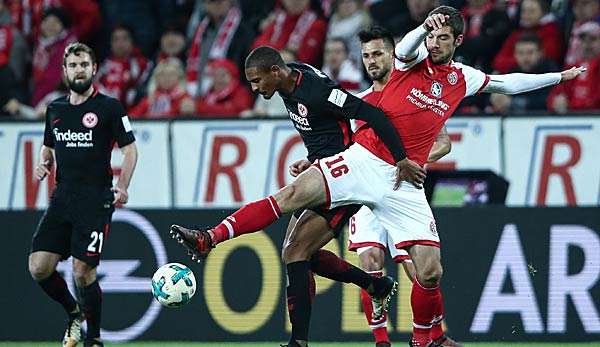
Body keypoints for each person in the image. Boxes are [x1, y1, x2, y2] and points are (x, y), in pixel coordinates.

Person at [172, 6, 584, 346]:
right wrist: (424, 27)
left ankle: (426, 339)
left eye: (444, 37)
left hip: (403, 183)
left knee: (429, 271)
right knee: (291, 197)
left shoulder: (464, 79)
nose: (436, 43)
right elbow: (402, 48)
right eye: (433, 36)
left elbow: (508, 84)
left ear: (458, 42)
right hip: (364, 160)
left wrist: (558, 77)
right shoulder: (409, 60)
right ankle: (212, 238)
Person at [172, 45, 426, 347]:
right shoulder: (287, 81)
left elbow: (370, 113)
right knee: (296, 253)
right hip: (324, 169)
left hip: (349, 177)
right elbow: (325, 128)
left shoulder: (317, 91)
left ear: (275, 72)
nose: (254, 88)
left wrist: (400, 159)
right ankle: (371, 285)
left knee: (287, 197)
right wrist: (313, 157)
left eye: (257, 81)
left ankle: (209, 238)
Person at [28, 42, 138, 347]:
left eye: (84, 65)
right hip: (62, 198)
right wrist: (43, 162)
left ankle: (95, 338)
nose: (79, 70)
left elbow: (130, 150)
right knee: (39, 268)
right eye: (73, 65)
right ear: (65, 71)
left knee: (82, 270)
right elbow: (49, 143)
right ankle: (73, 313)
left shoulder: (109, 107)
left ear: (94, 69)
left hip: (96, 199)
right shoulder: (56, 109)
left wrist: (124, 185)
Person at [349, 26, 452, 347]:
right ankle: (381, 342)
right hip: (366, 194)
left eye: (377, 53)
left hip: (402, 190)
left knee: (422, 272)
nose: (371, 61)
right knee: (370, 264)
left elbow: (444, 143)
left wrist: (411, 157)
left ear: (394, 54)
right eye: (366, 56)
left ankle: (435, 336)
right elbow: (341, 146)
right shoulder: (356, 102)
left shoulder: (419, 93)